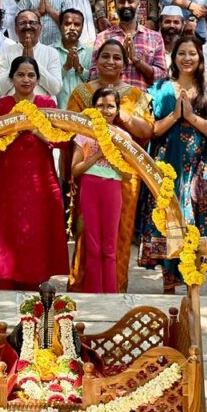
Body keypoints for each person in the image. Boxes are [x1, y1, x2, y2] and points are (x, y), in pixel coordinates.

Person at [140, 35, 207, 294]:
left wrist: (191, 117)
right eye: (182, 53)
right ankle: (168, 284)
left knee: (194, 222)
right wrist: (175, 116)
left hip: (200, 167)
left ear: (200, 57)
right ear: (173, 57)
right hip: (167, 164)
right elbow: (151, 130)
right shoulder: (160, 89)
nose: (187, 58)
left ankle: (192, 285)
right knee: (167, 218)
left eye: (192, 53)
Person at [67, 39, 153, 293]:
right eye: (105, 56)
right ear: (96, 60)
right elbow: (69, 132)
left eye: (117, 57)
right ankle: (83, 288)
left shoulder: (135, 95)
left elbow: (147, 131)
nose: (111, 62)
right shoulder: (82, 93)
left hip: (123, 176)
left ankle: (116, 288)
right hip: (87, 173)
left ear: (125, 64)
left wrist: (121, 116)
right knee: (86, 233)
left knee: (119, 234)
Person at [0, 57, 69, 290]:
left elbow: (62, 141)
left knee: (38, 235)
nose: (26, 80)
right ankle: (7, 290)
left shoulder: (47, 104)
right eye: (20, 75)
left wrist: (35, 130)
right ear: (11, 78)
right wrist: (14, 129)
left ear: (38, 79)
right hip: (8, 185)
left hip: (41, 185)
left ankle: (38, 295)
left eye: (31, 75)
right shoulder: (2, 106)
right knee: (9, 234)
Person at [71, 87, 128, 293]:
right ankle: (93, 295)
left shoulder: (122, 136)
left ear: (117, 110)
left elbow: (129, 175)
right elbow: (75, 169)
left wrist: (112, 157)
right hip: (90, 186)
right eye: (100, 106)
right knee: (93, 246)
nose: (105, 110)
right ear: (93, 108)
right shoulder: (84, 134)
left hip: (112, 188)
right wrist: (96, 156)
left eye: (110, 106)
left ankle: (111, 295)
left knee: (109, 247)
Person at [90, 0, 167, 91]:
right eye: (121, 2)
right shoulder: (103, 37)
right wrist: (118, 62)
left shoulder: (155, 38)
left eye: (130, 1)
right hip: (111, 99)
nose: (126, 5)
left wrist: (137, 61)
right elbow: (93, 76)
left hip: (143, 99)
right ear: (115, 5)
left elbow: (162, 77)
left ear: (138, 4)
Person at [0, 10, 63, 99]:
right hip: (12, 107)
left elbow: (55, 88)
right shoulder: (5, 52)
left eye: (32, 23)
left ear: (40, 28)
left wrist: (34, 63)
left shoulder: (51, 53)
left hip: (43, 107)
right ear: (16, 29)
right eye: (22, 23)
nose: (28, 26)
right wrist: (18, 65)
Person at [55, 9, 92, 108]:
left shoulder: (90, 53)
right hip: (57, 111)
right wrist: (65, 67)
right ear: (60, 26)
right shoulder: (50, 52)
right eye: (67, 24)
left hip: (83, 112)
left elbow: (95, 81)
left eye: (77, 24)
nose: (72, 28)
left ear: (82, 28)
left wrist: (80, 69)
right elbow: (47, 82)